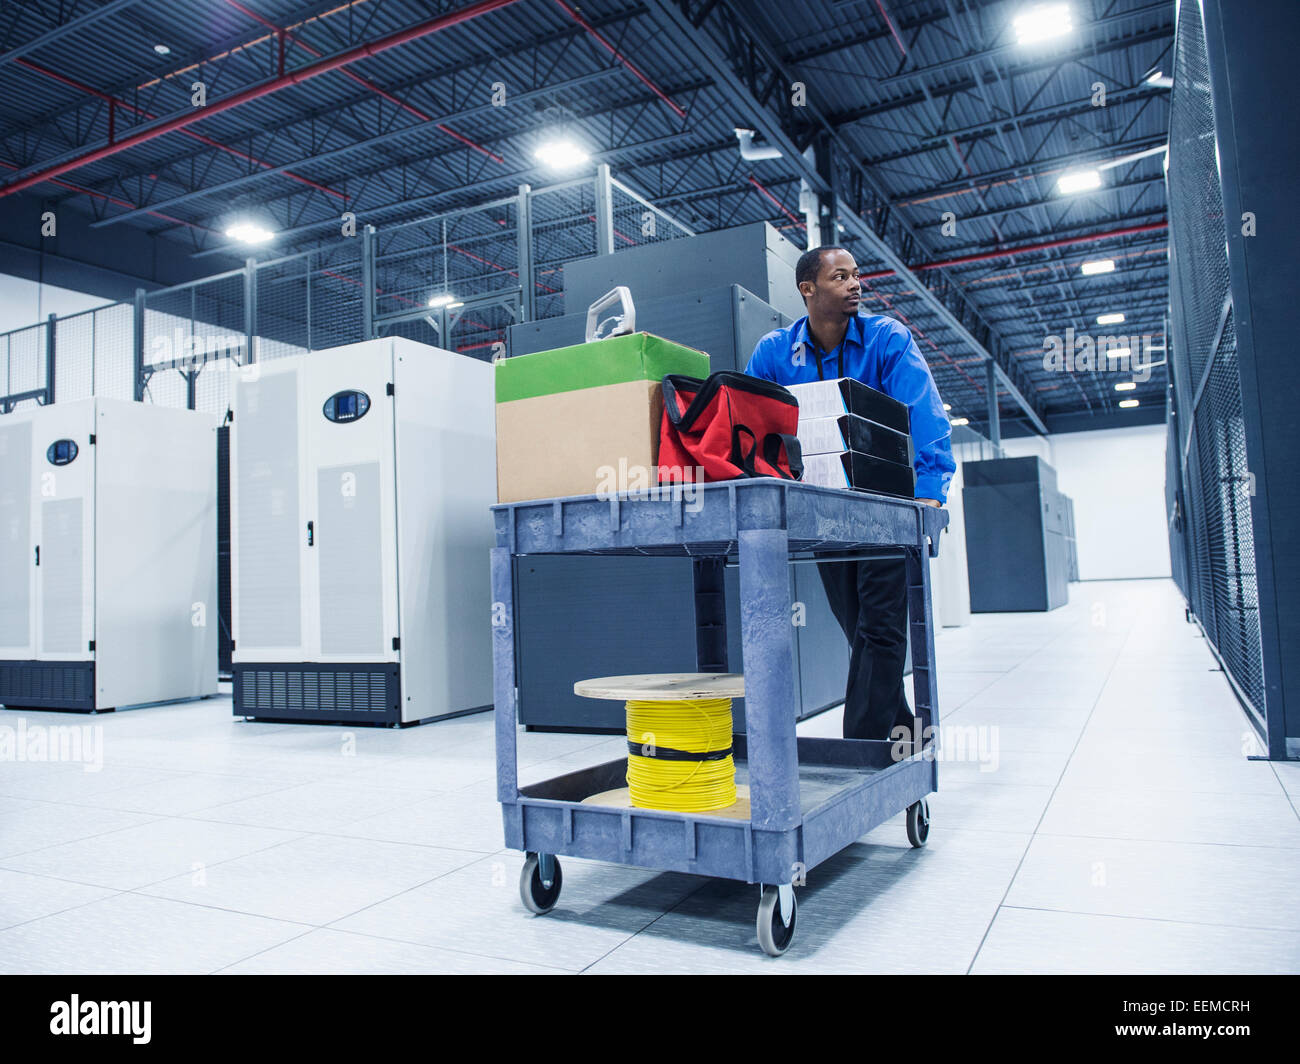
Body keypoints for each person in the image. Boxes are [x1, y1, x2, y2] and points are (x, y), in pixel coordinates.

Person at [744, 246, 954, 742]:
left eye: (858, 274)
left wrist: (931, 490)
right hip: (822, 509)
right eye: (841, 276)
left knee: (880, 630)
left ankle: (857, 752)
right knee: (859, 630)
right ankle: (908, 733)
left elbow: (925, 414)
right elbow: (752, 423)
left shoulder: (886, 339)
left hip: (885, 506)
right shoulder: (774, 352)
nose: (856, 283)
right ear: (807, 289)